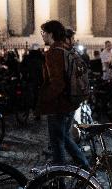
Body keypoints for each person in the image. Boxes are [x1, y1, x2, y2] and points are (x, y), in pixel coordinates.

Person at [36, 20, 90, 170]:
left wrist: (43, 99)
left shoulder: (53, 53)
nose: (43, 36)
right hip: (70, 102)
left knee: (57, 145)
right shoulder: (66, 50)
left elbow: (57, 83)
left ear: (51, 34)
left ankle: (60, 179)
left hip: (58, 105)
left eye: (44, 33)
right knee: (65, 138)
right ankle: (84, 167)